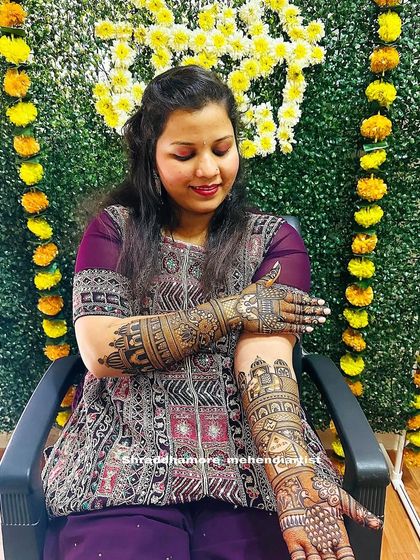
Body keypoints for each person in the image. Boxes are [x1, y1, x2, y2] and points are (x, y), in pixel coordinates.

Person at [41, 64, 383, 560]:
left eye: (222, 149)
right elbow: (103, 350)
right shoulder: (113, 230)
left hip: (247, 453)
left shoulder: (273, 240)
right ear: (150, 158)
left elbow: (264, 357)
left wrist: (290, 482)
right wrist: (236, 307)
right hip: (126, 451)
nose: (208, 170)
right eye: (185, 154)